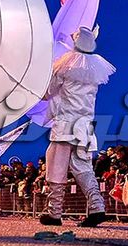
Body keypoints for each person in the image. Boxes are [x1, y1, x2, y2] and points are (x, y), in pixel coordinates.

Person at [40, 26, 115, 228]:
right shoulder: (94, 71)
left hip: (65, 125)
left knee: (56, 167)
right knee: (84, 169)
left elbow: (47, 92)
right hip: (85, 126)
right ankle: (97, 207)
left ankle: (54, 213)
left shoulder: (64, 67)